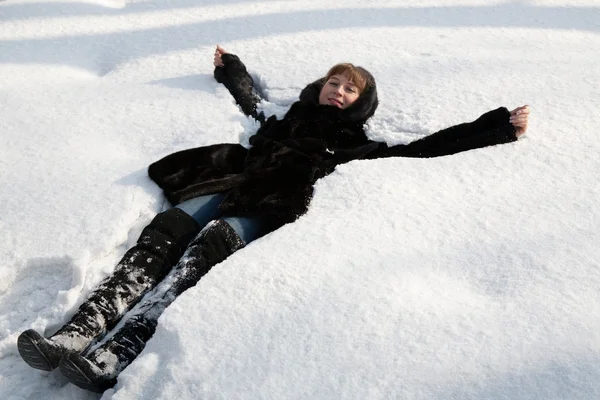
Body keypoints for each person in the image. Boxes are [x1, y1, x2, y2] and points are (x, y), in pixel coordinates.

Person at [17, 45, 530, 393]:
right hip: (231, 182)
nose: (339, 92)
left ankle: (115, 354)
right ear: (319, 86)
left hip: (269, 206)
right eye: (334, 82)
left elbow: (424, 150)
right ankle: (76, 333)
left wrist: (495, 128)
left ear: (361, 103)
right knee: (162, 237)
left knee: (203, 252)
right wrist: (231, 67)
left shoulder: (358, 146)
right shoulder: (284, 118)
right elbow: (250, 98)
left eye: (350, 90)